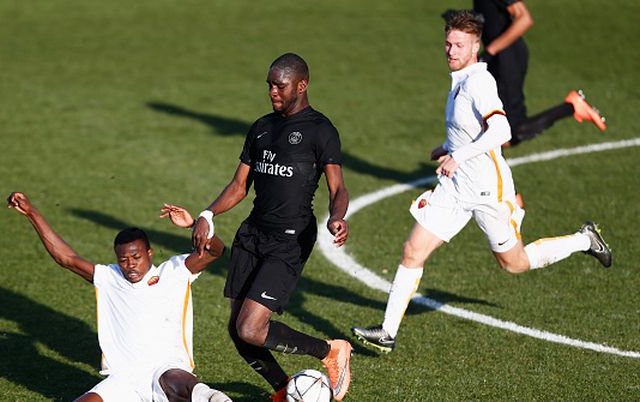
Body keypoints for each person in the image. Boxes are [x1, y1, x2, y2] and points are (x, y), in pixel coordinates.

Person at [350, 10, 612, 354]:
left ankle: (583, 239)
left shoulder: (479, 82)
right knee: (413, 250)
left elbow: (502, 131)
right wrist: (448, 148)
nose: (451, 51)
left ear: (475, 47)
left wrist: (458, 155)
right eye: (447, 43)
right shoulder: (458, 79)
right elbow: (470, 128)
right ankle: (387, 332)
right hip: (456, 187)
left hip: (488, 189)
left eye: (459, 45)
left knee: (513, 264)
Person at [190, 53, 352, 401]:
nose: (272, 92)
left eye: (280, 85)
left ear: (302, 85)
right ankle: (282, 391)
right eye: (269, 85)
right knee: (237, 330)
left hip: (290, 239)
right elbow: (238, 186)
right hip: (252, 235)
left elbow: (338, 188)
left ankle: (329, 350)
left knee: (251, 327)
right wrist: (207, 214)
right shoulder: (262, 127)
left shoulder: (320, 130)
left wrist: (338, 216)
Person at [7, 192, 232, 402]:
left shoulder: (174, 271)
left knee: (177, 382)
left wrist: (195, 224)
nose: (130, 265)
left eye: (136, 257)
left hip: (165, 368)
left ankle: (210, 398)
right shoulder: (108, 277)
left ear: (149, 253)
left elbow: (215, 251)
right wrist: (31, 212)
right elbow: (66, 258)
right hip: (124, 379)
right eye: (124, 260)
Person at [450, 1, 607, 146]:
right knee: (488, 121)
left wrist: (490, 51)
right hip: (497, 59)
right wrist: (465, 19)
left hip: (508, 59)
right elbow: (492, 17)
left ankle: (572, 106)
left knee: (512, 132)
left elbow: (524, 19)